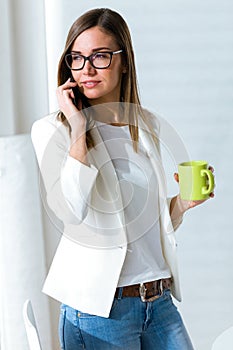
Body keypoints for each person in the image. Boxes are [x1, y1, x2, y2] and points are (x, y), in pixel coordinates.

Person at [31, 8, 214, 350]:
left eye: (99, 56)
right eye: (77, 58)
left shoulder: (147, 125)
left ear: (124, 61)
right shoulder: (52, 130)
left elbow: (146, 224)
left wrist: (182, 204)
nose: (86, 69)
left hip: (157, 301)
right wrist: (79, 128)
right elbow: (74, 210)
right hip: (100, 311)